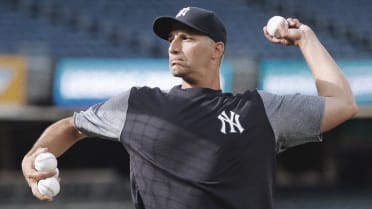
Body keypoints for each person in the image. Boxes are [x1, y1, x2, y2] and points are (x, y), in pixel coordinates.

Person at [22, 6, 358, 209]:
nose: (174, 47)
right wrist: (33, 156)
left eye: (188, 38)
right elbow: (72, 126)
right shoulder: (137, 104)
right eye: (171, 39)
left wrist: (306, 38)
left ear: (217, 50)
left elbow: (342, 104)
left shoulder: (259, 111)